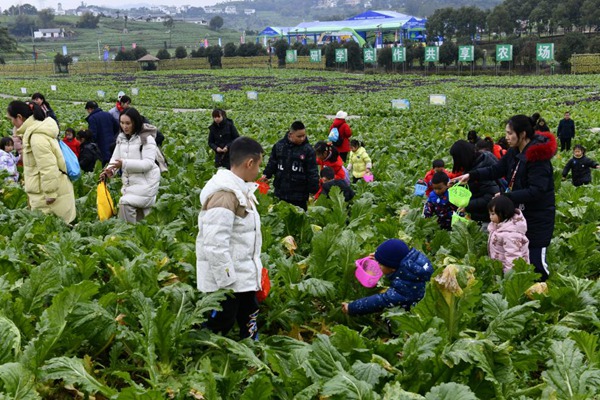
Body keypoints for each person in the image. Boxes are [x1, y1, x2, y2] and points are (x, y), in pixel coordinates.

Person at [455, 114, 557, 281]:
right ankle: (525, 293)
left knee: (536, 262)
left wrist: (506, 196)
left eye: (510, 133)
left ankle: (544, 293)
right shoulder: (514, 152)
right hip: (519, 215)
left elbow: (536, 191)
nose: (507, 137)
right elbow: (496, 170)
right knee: (518, 256)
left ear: (522, 134)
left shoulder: (538, 158)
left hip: (538, 216)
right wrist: (471, 175)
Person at [196, 137, 265, 340]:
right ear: (249, 163)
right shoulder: (225, 195)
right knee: (220, 323)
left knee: (250, 312)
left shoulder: (242, 189)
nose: (259, 171)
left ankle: (251, 353)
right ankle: (202, 351)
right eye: (259, 165)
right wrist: (227, 281)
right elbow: (215, 244)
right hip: (228, 278)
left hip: (243, 274)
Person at [6, 100, 76, 223]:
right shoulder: (36, 130)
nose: (11, 122)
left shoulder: (36, 137)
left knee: (51, 232)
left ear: (19, 117)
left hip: (48, 197)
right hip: (47, 191)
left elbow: (48, 167)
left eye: (11, 119)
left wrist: (50, 193)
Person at [99, 107, 161, 223]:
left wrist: (124, 164)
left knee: (125, 204)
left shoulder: (147, 138)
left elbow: (148, 164)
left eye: (128, 123)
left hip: (146, 184)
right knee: (143, 220)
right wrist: (109, 171)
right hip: (130, 185)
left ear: (135, 122)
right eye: (122, 123)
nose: (124, 126)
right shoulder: (121, 138)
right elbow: (114, 159)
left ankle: (127, 235)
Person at [342, 239, 433, 316]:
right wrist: (380, 257)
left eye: (380, 264)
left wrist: (351, 308)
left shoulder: (404, 288)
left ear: (393, 269)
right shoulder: (415, 264)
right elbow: (396, 253)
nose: (378, 265)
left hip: (416, 313)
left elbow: (381, 301)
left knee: (391, 317)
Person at [260, 121, 319, 211]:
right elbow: (272, 162)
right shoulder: (279, 146)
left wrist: (313, 189)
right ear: (291, 134)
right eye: (299, 136)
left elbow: (312, 172)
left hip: (300, 193)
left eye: (304, 136)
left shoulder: (308, 150)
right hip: (281, 190)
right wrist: (266, 174)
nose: (302, 138)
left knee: (300, 217)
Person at [450, 140, 500, 223]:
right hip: (480, 214)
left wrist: (467, 206)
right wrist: (456, 184)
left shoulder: (482, 169)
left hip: (490, 218)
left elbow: (490, 197)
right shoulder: (476, 163)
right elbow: (474, 185)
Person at [488, 195, 529, 273]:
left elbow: (513, 257)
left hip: (509, 271)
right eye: (489, 214)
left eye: (493, 214)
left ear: (504, 213)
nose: (490, 217)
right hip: (500, 268)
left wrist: (509, 276)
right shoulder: (498, 227)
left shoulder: (510, 234)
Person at [85, 101, 119, 165]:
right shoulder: (108, 114)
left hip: (100, 145)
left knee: (103, 164)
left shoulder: (92, 118)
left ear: (90, 109)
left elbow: (92, 135)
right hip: (111, 143)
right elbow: (117, 127)